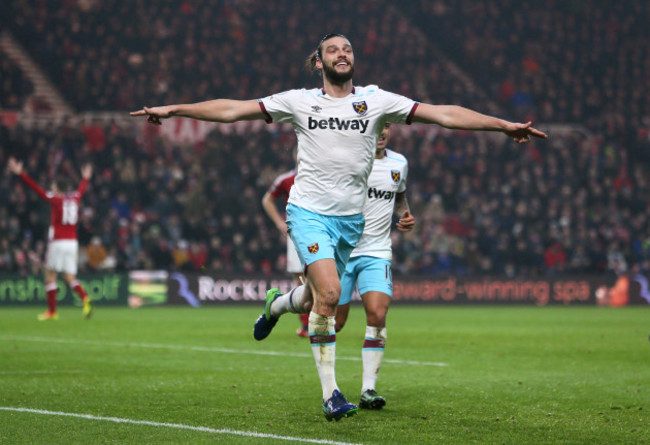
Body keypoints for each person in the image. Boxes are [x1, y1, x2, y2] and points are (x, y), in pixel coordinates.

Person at [131, 33, 547, 421]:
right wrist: (174, 109)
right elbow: (231, 109)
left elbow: (443, 115)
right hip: (308, 212)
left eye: (347, 49)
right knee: (330, 295)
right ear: (318, 62)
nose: (342, 54)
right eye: (333, 50)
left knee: (314, 302)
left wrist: (502, 124)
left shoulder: (376, 101)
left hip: (352, 221)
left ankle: (277, 304)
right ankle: (332, 395)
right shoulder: (298, 102)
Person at [334, 122, 414, 411]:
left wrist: (404, 213)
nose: (381, 133)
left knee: (378, 314)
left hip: (377, 252)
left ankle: (368, 390)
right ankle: (282, 304)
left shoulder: (399, 163)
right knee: (337, 323)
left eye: (386, 128)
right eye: (376, 127)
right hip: (342, 251)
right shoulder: (350, 159)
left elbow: (399, 194)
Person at [8, 158, 94, 320]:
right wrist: (86, 178)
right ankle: (85, 298)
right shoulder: (75, 198)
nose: (52, 189)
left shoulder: (56, 199)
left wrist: (21, 174)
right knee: (70, 278)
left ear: (58, 189)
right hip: (72, 243)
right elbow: (81, 190)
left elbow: (37, 190)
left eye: (54, 187)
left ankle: (52, 312)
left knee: (50, 274)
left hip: (58, 241)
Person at [261, 159, 309, 338]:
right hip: (296, 233)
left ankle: (316, 319)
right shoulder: (286, 179)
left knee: (314, 276)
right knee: (300, 277)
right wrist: (279, 222)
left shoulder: (320, 177)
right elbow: (267, 200)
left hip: (318, 232)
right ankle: (306, 324)